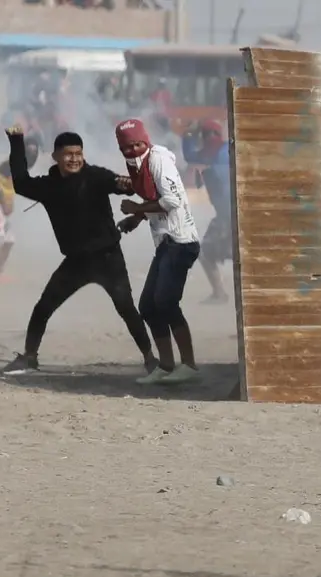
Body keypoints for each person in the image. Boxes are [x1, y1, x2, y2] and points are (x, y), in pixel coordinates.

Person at [0, 127, 157, 376]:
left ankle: (150, 359)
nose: (74, 159)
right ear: (55, 157)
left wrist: (128, 183)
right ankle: (29, 357)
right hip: (76, 262)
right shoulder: (48, 186)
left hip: (108, 258)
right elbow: (19, 182)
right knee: (43, 308)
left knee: (126, 308)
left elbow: (120, 184)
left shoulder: (95, 176)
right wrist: (16, 142)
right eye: (68, 154)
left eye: (78, 153)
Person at [113, 118, 202, 385]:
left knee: (166, 302)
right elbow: (154, 200)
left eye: (138, 144)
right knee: (148, 307)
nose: (133, 150)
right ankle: (165, 366)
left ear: (146, 140)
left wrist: (136, 209)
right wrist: (137, 219)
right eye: (127, 147)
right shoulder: (138, 165)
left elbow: (173, 201)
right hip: (165, 242)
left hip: (180, 241)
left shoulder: (158, 160)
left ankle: (189, 365)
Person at [0, 135, 40, 284]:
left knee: (10, 240)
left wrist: (9, 204)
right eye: (29, 150)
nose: (32, 153)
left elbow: (9, 188)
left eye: (34, 150)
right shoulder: (9, 165)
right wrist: (5, 203)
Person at [198, 133, 232, 303]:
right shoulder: (221, 156)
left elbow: (228, 194)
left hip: (229, 218)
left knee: (205, 252)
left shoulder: (222, 160)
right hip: (228, 217)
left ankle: (219, 294)